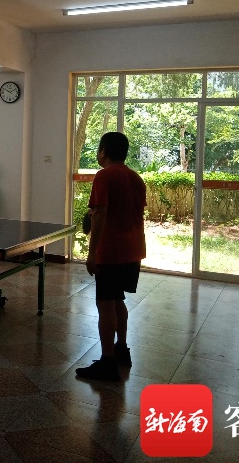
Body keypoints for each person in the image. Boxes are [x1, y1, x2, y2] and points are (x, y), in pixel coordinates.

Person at [76, 132, 146, 382]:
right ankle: (121, 350)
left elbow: (100, 213)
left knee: (105, 304)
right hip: (133, 250)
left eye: (99, 149)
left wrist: (91, 252)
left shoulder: (104, 175)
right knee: (117, 300)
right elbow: (127, 210)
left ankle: (107, 363)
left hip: (112, 251)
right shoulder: (136, 178)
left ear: (103, 151)